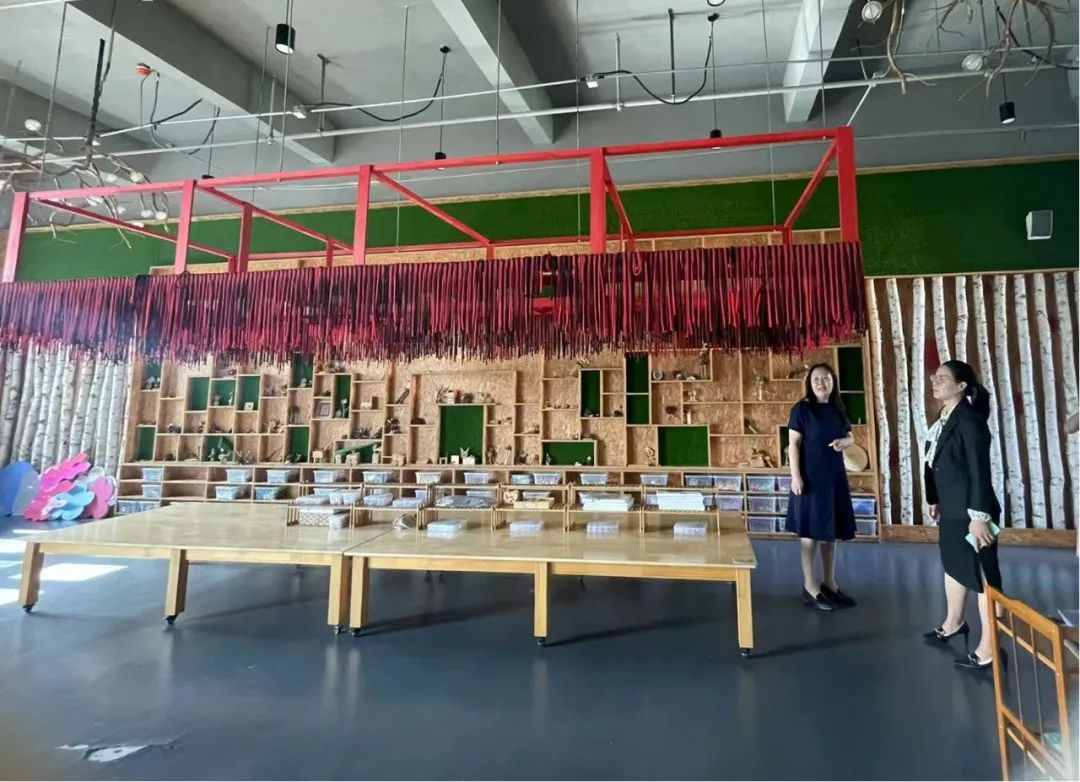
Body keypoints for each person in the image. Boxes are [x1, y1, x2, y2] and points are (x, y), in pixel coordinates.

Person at [922, 360, 1002, 671]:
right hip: (953, 509)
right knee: (955, 567)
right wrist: (934, 498)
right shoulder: (944, 416)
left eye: (942, 378)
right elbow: (935, 463)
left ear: (961, 386)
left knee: (985, 579)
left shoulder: (969, 421)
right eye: (935, 377)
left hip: (974, 513)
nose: (935, 381)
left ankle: (989, 649)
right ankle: (953, 622)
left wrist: (979, 517)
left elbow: (979, 472)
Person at [785, 363, 857, 611]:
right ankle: (810, 586)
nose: (821, 382)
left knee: (830, 531)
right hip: (810, 478)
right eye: (816, 378)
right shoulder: (801, 409)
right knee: (810, 533)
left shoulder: (838, 408)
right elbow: (793, 445)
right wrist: (796, 477)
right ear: (809, 382)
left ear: (833, 382)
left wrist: (845, 442)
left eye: (825, 378)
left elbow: (850, 436)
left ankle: (829, 583)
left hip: (834, 477)